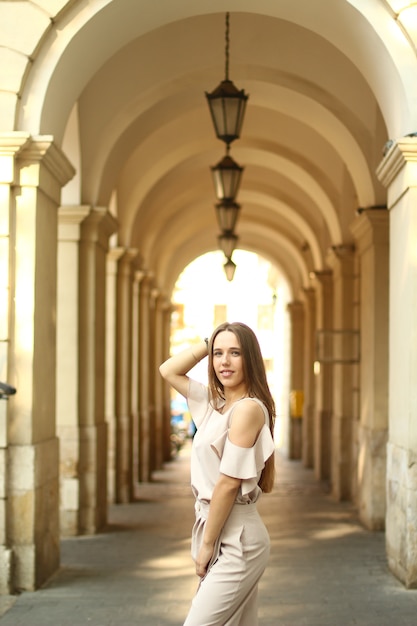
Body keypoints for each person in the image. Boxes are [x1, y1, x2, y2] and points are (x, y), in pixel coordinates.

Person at [159, 321, 276, 626]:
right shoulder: (216, 404)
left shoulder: (248, 409)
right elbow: (168, 370)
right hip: (217, 527)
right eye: (218, 353)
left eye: (235, 353)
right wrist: (207, 341)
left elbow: (227, 484)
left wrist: (208, 545)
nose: (224, 361)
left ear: (249, 358)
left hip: (237, 537)